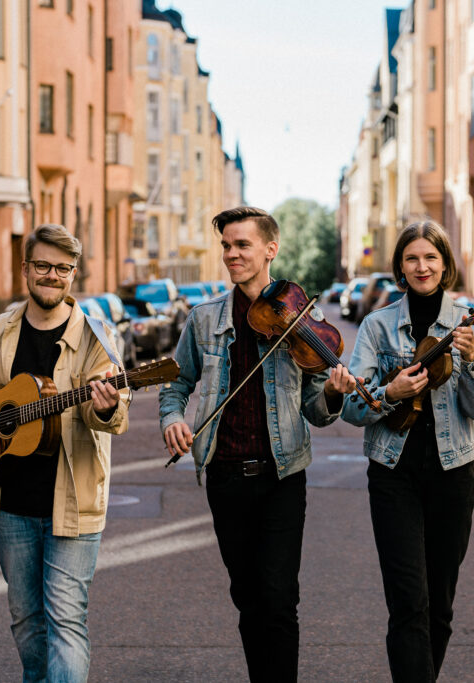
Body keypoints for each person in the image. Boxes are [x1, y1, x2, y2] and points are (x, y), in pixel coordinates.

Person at [0, 224, 129, 682]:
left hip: (74, 503)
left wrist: (107, 407)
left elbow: (116, 417)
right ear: (25, 269)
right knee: (26, 621)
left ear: (73, 274)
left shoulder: (98, 336)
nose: (52, 276)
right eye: (43, 266)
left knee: (67, 621)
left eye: (63, 268)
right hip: (11, 503)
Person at [158, 206, 354, 683]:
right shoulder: (204, 320)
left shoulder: (303, 319)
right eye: (226, 245)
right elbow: (174, 384)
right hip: (224, 477)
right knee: (247, 597)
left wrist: (331, 391)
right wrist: (172, 420)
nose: (231, 254)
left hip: (282, 475)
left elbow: (314, 409)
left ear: (270, 250)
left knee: (279, 598)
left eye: (242, 245)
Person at [340, 220, 474, 682]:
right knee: (409, 601)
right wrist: (389, 391)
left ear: (446, 265)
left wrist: (469, 361)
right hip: (394, 474)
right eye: (412, 258)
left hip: (454, 474)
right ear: (400, 268)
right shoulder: (377, 325)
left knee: (440, 605)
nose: (422, 266)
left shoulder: (471, 325)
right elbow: (352, 406)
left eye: (431, 257)